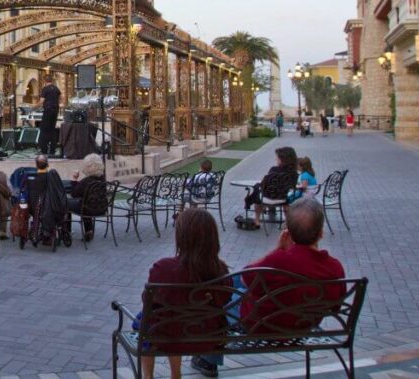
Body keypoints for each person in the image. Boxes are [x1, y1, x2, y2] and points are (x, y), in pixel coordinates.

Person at [140, 208, 230, 379]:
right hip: (208, 336)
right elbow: (223, 300)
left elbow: (148, 300)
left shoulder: (164, 268)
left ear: (182, 237)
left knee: (148, 319)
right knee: (171, 318)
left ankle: (148, 376)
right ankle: (175, 374)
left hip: (168, 335)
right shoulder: (222, 270)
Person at [240, 198, 346, 334]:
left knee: (230, 290)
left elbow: (245, 278)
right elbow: (336, 306)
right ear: (321, 233)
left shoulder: (279, 260)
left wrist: (278, 250)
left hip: (263, 327)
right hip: (305, 326)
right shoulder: (334, 267)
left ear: (288, 231)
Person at [244, 147, 298, 228]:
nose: (275, 159)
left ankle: (257, 220)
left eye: (277, 157)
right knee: (284, 197)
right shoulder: (294, 173)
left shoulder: (273, 170)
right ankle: (287, 223)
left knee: (257, 193)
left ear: (283, 159)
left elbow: (264, 184)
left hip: (268, 198)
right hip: (284, 199)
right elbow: (292, 188)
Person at [67, 153, 105, 242]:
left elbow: (74, 194)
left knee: (66, 203)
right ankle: (88, 231)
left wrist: (74, 179)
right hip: (102, 208)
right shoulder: (103, 180)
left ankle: (67, 231)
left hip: (88, 209)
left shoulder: (86, 182)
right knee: (87, 202)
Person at [36, 74, 61, 156]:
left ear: (44, 81)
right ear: (52, 80)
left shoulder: (45, 89)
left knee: (44, 130)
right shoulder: (56, 88)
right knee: (52, 130)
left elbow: (41, 101)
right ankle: (52, 150)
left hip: (48, 111)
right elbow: (61, 98)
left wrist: (33, 107)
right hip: (55, 111)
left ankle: (44, 150)